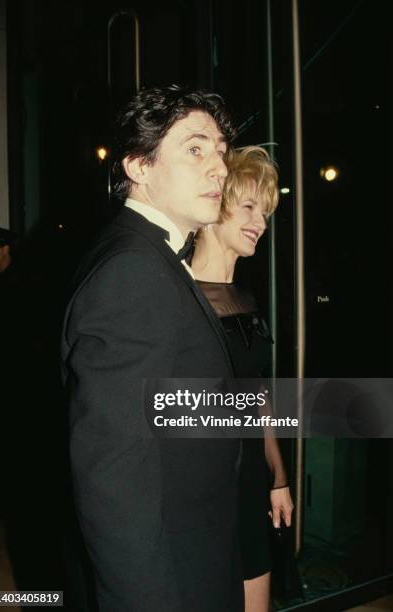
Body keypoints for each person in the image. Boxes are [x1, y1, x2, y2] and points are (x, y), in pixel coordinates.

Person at [61, 85, 244, 612]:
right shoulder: (133, 271)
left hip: (192, 543)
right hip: (167, 572)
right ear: (139, 166)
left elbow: (166, 403)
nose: (219, 168)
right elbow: (113, 473)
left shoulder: (149, 257)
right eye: (195, 148)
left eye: (220, 151)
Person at [191, 145, 294, 612]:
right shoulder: (178, 294)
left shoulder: (244, 299)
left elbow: (257, 398)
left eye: (266, 211)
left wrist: (278, 477)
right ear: (216, 204)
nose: (262, 223)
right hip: (198, 488)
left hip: (249, 478)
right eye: (251, 206)